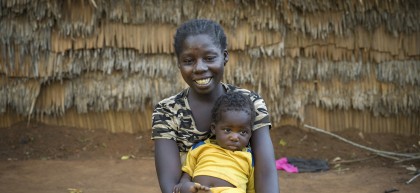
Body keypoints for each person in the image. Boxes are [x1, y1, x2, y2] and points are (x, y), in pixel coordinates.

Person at [151, 19, 279, 193]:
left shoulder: (250, 103)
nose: (200, 68)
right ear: (179, 63)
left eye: (209, 58)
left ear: (225, 56)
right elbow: (171, 186)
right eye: (189, 61)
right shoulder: (167, 111)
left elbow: (266, 174)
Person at [175, 92, 256, 193]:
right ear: (214, 129)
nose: (235, 137)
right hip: (199, 189)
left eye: (243, 132)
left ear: (250, 134)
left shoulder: (248, 158)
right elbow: (187, 174)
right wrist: (183, 185)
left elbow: (251, 189)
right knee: (187, 187)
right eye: (228, 130)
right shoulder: (201, 148)